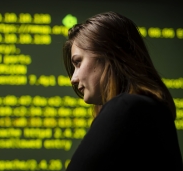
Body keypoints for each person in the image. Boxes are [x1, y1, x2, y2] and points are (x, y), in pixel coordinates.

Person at [63, 11, 183, 170]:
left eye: (78, 62)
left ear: (108, 54)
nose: (74, 78)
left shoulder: (127, 107)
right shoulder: (152, 109)